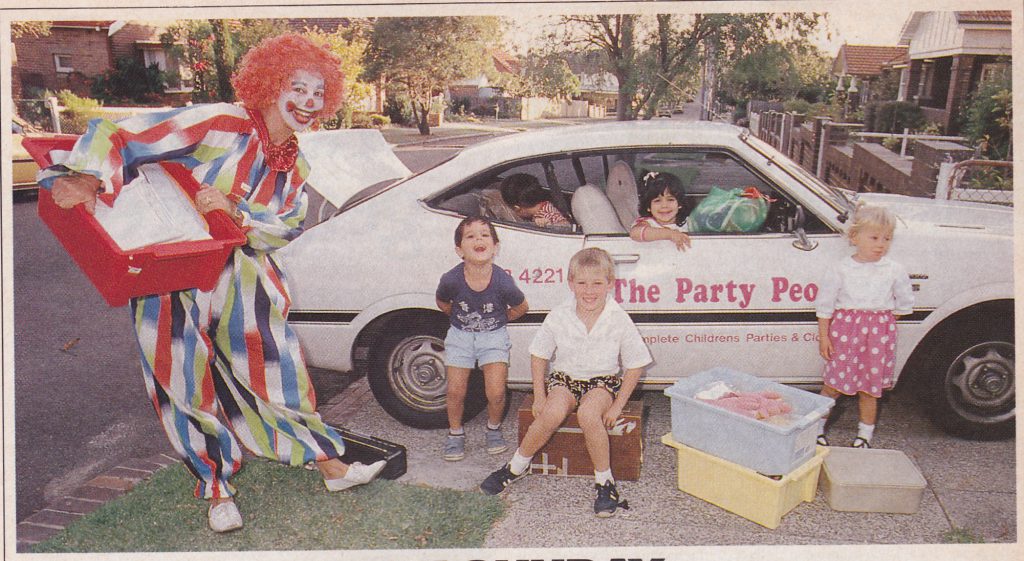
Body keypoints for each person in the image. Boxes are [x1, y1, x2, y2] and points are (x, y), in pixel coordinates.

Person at [39, 34, 386, 533]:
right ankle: (217, 488)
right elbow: (118, 131)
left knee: (277, 368)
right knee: (180, 378)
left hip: (245, 273)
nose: (309, 103)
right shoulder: (221, 123)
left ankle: (328, 464)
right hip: (171, 267)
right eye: (298, 88)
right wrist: (90, 179)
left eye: (318, 93)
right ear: (269, 84)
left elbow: (287, 225)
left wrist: (237, 214)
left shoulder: (296, 161)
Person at [480, 248, 652, 518]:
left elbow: (636, 364)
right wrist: (539, 395)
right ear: (570, 283)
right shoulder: (559, 314)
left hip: (601, 382)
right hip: (565, 378)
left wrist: (618, 406)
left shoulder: (619, 318)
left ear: (610, 283)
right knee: (551, 412)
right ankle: (516, 466)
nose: (589, 290)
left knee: (588, 414)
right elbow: (539, 354)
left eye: (597, 283)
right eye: (581, 283)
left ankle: (605, 482)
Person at [814, 203, 914, 449]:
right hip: (845, 333)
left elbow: (903, 304)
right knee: (833, 386)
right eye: (874, 237)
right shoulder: (841, 269)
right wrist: (824, 337)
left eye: (887, 238)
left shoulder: (894, 270)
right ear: (855, 237)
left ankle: (864, 436)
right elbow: (825, 306)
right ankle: (816, 429)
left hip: (878, 337)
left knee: (870, 389)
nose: (881, 244)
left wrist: (880, 325)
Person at [437, 217, 529, 461]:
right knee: (456, 391)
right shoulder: (451, 279)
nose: (478, 239)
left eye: (484, 235)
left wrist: (499, 320)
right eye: (470, 236)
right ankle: (455, 433)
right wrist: (459, 319)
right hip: (460, 336)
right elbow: (442, 302)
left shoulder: (503, 281)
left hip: (494, 337)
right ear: (459, 249)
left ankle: (494, 428)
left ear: (495, 247)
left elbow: (521, 307)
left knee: (496, 392)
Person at [629, 171, 692, 250]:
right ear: (648, 206)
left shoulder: (688, 222)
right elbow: (635, 233)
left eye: (670, 199)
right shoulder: (648, 223)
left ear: (679, 204)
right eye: (657, 201)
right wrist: (670, 234)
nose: (664, 205)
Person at [499, 173, 570, 227]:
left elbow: (565, 225)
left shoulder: (546, 214)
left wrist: (550, 225)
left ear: (517, 208)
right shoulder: (546, 205)